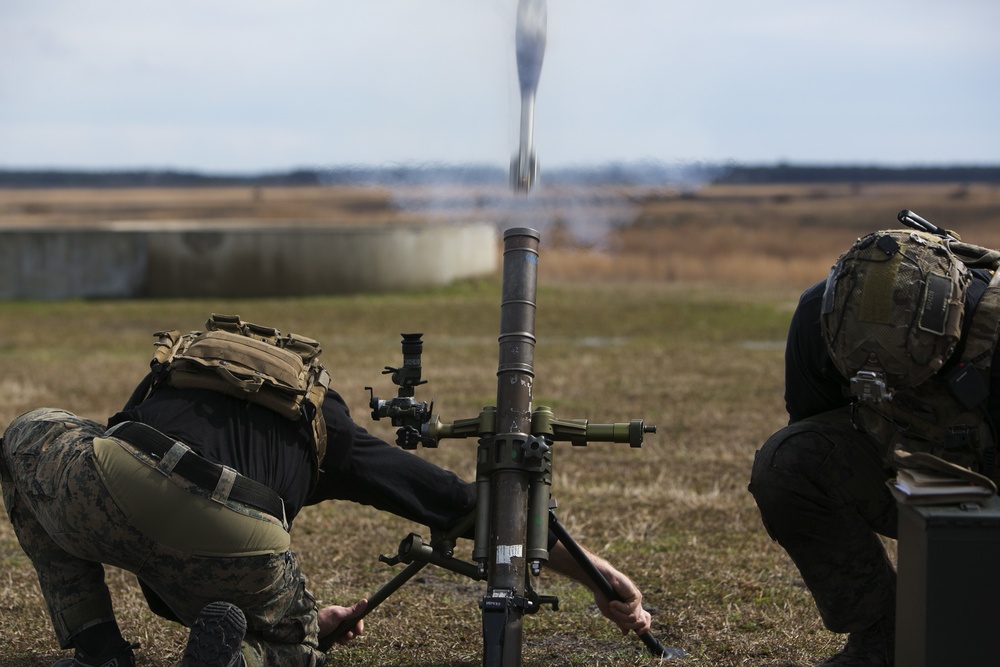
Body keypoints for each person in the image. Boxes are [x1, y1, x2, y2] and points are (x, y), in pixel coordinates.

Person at [1, 315, 652, 667]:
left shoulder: (172, 375)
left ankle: (97, 646)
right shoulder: (327, 424)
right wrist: (599, 575)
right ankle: (248, 656)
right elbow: (467, 505)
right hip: (235, 531)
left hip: (113, 473)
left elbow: (152, 527)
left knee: (28, 436)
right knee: (292, 645)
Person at [749, 225, 1000, 666]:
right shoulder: (821, 314)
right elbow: (814, 437)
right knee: (790, 463)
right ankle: (881, 634)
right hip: (905, 473)